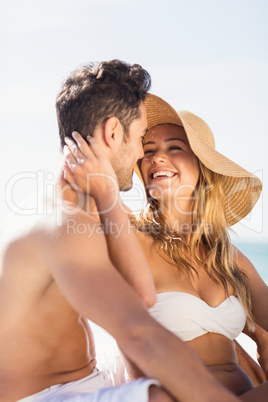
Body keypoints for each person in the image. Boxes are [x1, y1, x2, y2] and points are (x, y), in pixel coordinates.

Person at [0, 60, 238, 402]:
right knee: (162, 396)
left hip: (85, 380)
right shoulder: (65, 223)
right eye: (141, 137)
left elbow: (142, 296)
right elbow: (139, 332)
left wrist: (109, 197)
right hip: (44, 396)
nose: (142, 152)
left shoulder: (88, 208)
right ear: (113, 133)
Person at [67, 92, 268, 401]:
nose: (156, 157)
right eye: (147, 150)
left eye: (174, 148)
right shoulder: (128, 234)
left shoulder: (227, 257)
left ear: (203, 168)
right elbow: (76, 203)